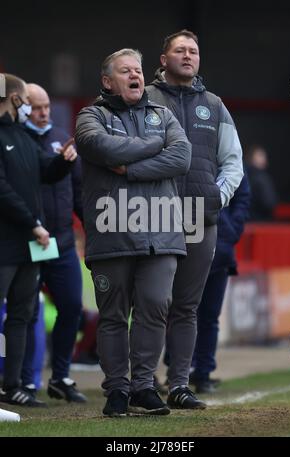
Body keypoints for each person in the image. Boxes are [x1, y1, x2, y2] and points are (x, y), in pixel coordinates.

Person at [75, 48, 191, 417]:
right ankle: (117, 391)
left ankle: (144, 386)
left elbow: (182, 157)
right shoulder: (91, 116)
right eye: (126, 71)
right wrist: (155, 146)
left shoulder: (163, 114)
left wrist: (131, 167)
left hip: (161, 233)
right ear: (108, 81)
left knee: (155, 308)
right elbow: (99, 147)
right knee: (112, 316)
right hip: (112, 233)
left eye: (138, 70)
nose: (135, 76)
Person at [146, 30, 244, 409]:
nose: (188, 56)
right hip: (151, 216)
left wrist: (216, 196)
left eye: (194, 51)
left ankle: (179, 385)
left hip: (199, 217)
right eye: (180, 50)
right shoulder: (145, 99)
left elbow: (233, 161)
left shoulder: (214, 105)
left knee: (187, 307)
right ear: (163, 57)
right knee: (151, 302)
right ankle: (141, 380)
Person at [0, 74, 76, 406]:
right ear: (15, 99)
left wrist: (63, 161)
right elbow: (2, 190)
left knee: (21, 315)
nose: (31, 107)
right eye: (26, 99)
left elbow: (44, 171)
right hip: (6, 243)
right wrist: (33, 223)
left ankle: (14, 385)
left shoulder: (23, 136)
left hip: (29, 245)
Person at [20, 84, 86, 403]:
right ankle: (24, 381)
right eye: (36, 107)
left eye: (46, 106)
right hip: (28, 242)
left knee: (72, 306)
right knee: (28, 313)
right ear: (22, 109)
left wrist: (91, 226)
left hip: (61, 241)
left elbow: (79, 191)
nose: (43, 112)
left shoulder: (62, 136)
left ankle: (60, 376)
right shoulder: (16, 141)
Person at [190, 174, 250, 393]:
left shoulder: (231, 155)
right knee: (181, 313)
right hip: (189, 246)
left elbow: (242, 196)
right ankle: (180, 371)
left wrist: (230, 231)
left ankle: (202, 373)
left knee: (209, 316)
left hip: (221, 249)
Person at [244, 144, 278, 221]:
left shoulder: (242, 175)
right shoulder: (262, 178)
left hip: (247, 221)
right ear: (251, 157)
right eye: (260, 155)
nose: (263, 159)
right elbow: (269, 203)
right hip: (262, 222)